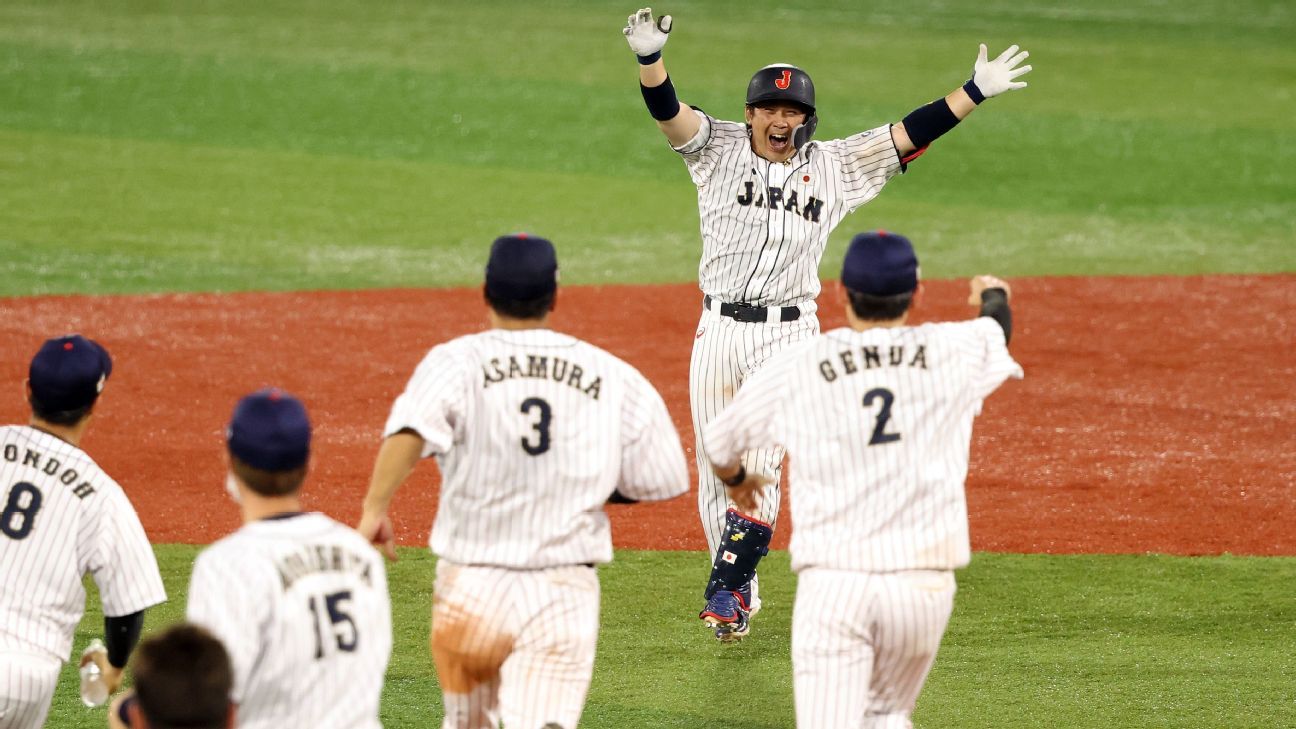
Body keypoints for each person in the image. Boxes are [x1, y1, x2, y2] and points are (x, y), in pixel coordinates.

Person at [621, 6, 1033, 641]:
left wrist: (973, 90)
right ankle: (739, 593)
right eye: (770, 109)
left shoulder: (835, 165)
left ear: (807, 121)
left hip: (788, 335)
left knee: (762, 462)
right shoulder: (715, 149)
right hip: (717, 331)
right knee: (716, 465)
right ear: (752, 112)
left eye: (793, 113)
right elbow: (668, 113)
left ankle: (724, 591)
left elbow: (906, 133)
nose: (781, 120)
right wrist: (651, 60)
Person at [357, 233, 689, 729]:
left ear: (485, 292)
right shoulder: (611, 373)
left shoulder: (455, 361)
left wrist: (374, 510)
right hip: (562, 587)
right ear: (554, 297)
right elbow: (663, 476)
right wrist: (583, 483)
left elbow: (410, 429)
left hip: (471, 588)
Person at [702, 230, 1022, 726]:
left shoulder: (800, 364)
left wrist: (740, 478)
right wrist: (992, 294)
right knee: (888, 716)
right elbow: (996, 328)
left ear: (841, 293)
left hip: (836, 587)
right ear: (916, 293)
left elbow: (720, 441)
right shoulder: (952, 347)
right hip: (923, 588)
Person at [185, 389, 392, 729]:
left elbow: (210, 705)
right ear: (309, 463)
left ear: (229, 460)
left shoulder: (224, 566)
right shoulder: (362, 556)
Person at [0, 334, 166, 728]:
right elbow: (127, 607)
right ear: (94, 404)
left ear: (27, 391)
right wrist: (114, 664)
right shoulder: (102, 495)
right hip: (22, 678)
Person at [107, 622, 235, 729]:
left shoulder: (135, 714)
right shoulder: (229, 713)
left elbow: (119, 709)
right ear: (231, 717)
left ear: (137, 721)